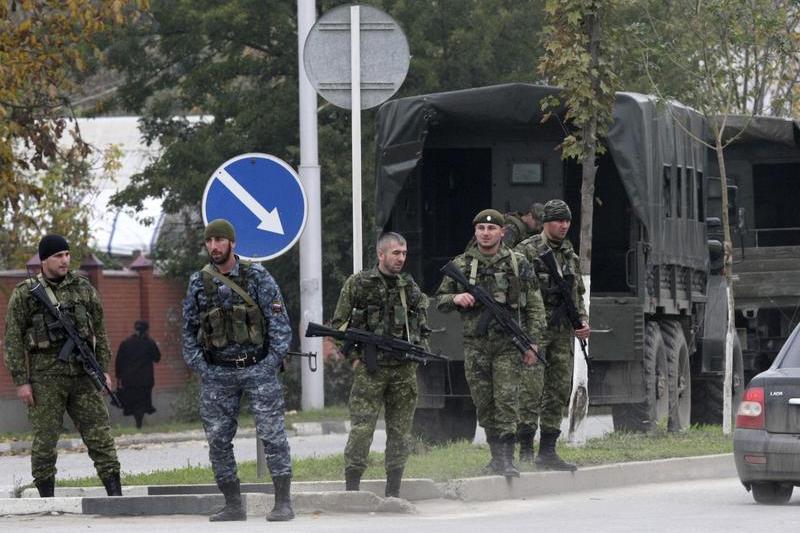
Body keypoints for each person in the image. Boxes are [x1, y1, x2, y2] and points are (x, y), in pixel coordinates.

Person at [182, 219, 294, 522]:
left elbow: (280, 325)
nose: (214, 246)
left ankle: (283, 502)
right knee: (217, 439)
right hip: (218, 373)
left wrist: (269, 363)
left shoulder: (257, 276)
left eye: (220, 240)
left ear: (232, 243)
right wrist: (202, 367)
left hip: (258, 368)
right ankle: (233, 504)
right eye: (209, 241)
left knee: (272, 435)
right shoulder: (198, 282)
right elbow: (189, 331)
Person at [3, 234, 122, 497]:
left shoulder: (83, 288)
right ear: (44, 259)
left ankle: (115, 494)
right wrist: (21, 381)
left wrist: (103, 369)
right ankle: (46, 500)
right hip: (46, 379)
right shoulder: (26, 293)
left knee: (100, 436)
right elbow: (12, 339)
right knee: (45, 441)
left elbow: (100, 331)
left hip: (83, 375)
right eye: (58, 256)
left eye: (67, 254)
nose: (65, 260)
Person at [436, 210, 546, 478]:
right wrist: (456, 298)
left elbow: (535, 305)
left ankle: (507, 459)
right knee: (484, 404)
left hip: (508, 345)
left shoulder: (518, 263)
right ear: (475, 232)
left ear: (502, 232)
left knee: (506, 401)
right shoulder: (462, 264)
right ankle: (496, 457)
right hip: (476, 346)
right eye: (481, 229)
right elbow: (441, 299)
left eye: (491, 229)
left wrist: (533, 342)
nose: (486, 233)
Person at [331, 232, 430, 498]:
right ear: (381, 254)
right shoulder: (358, 283)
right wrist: (355, 356)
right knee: (362, 429)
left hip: (403, 370)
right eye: (396, 253)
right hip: (370, 369)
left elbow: (422, 326)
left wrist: (418, 351)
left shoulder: (408, 287)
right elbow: (338, 325)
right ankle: (352, 489)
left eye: (404, 253)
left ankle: (393, 491)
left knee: (400, 432)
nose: (401, 258)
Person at [515, 199, 591, 471]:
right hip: (534, 330)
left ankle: (547, 450)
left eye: (567, 221)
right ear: (546, 222)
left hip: (560, 331)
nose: (564, 225)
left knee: (558, 389)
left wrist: (582, 320)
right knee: (530, 389)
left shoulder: (570, 255)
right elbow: (517, 291)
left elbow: (576, 294)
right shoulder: (526, 251)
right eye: (558, 220)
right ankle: (525, 448)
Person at [115, 320, 161, 429]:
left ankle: (138, 422)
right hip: (145, 380)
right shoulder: (150, 343)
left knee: (133, 402)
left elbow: (119, 361)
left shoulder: (126, 343)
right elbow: (157, 358)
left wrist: (119, 377)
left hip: (129, 380)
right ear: (146, 330)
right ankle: (139, 422)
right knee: (143, 403)